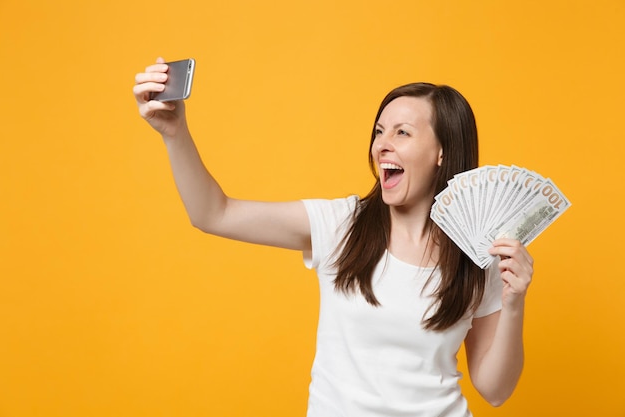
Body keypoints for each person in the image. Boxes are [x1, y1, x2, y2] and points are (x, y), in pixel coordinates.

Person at [133, 57, 534, 417]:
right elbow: (213, 213)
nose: (383, 145)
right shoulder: (341, 225)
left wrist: (514, 304)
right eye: (379, 131)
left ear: (442, 152)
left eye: (402, 133)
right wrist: (174, 131)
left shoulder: (478, 255)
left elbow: (495, 390)